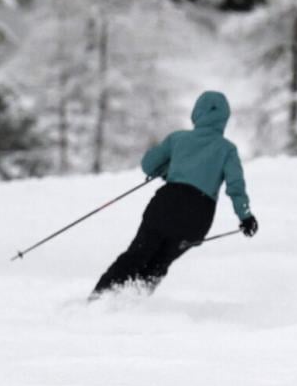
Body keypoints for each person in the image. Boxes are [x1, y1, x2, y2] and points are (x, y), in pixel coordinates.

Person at [91, 91, 258, 298]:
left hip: (167, 204)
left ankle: (100, 299)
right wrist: (245, 216)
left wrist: (167, 169)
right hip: (198, 217)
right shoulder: (227, 150)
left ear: (197, 113)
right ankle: (132, 303)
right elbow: (236, 186)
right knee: (159, 263)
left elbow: (149, 165)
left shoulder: (178, 139)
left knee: (137, 254)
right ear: (224, 119)